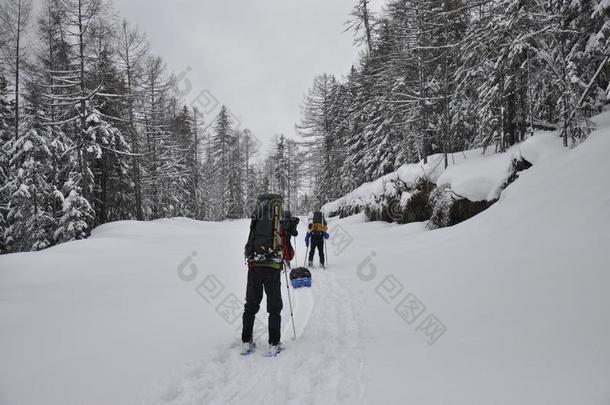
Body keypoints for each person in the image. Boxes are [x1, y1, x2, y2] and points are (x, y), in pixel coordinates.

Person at [241, 196, 295, 355]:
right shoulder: (278, 222)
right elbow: (289, 254)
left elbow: (249, 244)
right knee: (274, 307)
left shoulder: (256, 218)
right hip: (272, 269)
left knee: (250, 306)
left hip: (254, 267)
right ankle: (274, 343)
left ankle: (246, 342)